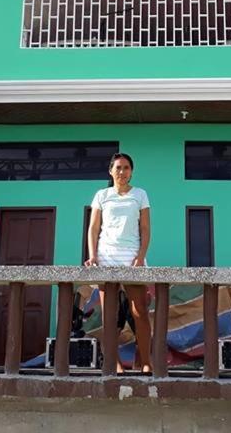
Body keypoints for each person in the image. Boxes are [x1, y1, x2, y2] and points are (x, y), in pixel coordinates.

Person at [84, 152, 152, 373]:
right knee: (110, 314)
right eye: (118, 168)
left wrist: (141, 256)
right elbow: (94, 228)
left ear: (131, 171)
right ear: (110, 171)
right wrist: (93, 255)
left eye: (126, 168)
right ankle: (114, 363)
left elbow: (145, 228)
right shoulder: (102, 195)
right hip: (106, 256)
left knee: (139, 311)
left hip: (132, 256)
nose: (122, 172)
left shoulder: (140, 194)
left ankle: (145, 362)